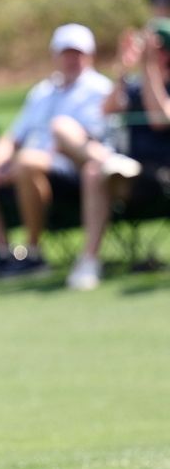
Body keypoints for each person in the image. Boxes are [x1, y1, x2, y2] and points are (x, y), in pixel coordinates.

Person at [0, 24, 114, 280]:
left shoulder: (99, 89)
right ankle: (4, 252)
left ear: (90, 55)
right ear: (55, 56)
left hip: (70, 172)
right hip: (25, 167)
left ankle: (32, 253)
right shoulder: (43, 91)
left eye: (78, 53)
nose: (72, 59)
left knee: (27, 162)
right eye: (66, 53)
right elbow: (13, 137)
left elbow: (81, 142)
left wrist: (16, 166)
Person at [59, 24, 170, 290]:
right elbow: (107, 110)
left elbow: (160, 120)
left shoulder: (156, 81)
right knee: (94, 172)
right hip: (130, 171)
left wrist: (149, 68)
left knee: (101, 171)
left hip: (162, 173)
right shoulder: (136, 85)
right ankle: (89, 261)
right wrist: (123, 68)